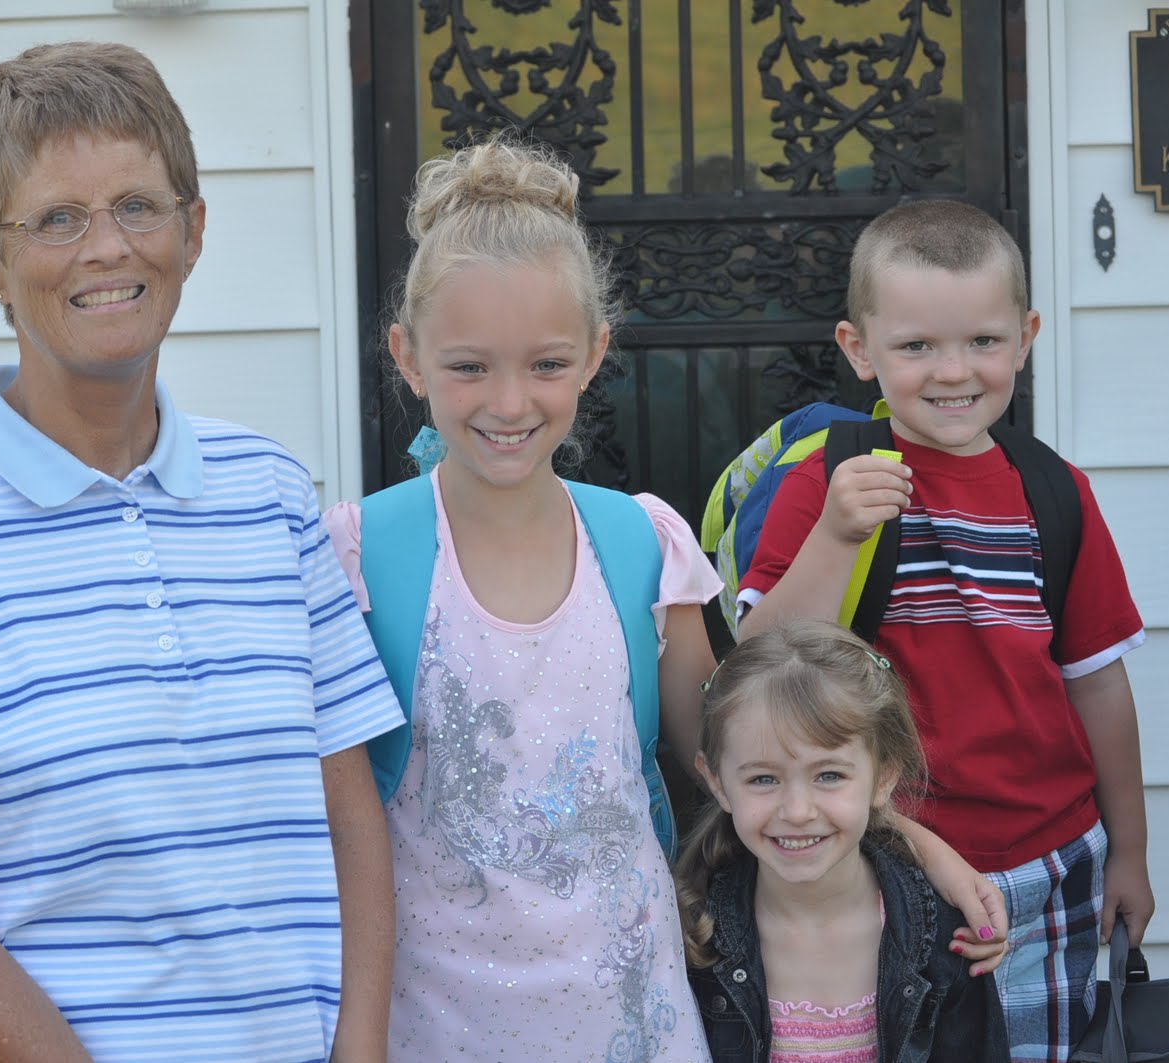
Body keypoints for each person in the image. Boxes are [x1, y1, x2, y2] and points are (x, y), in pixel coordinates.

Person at [322, 136, 1007, 1062]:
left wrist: (927, 852)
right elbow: (332, 819)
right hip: (432, 1022)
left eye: (547, 364)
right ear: (408, 358)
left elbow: (740, 753)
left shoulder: (643, 544)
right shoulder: (358, 556)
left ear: (596, 352)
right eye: (469, 367)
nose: (510, 402)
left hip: (634, 1016)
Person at [0, 42, 402, 1063]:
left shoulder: (272, 495)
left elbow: (350, 813)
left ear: (192, 231)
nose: (107, 247)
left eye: (138, 206)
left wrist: (361, 1048)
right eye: (57, 219)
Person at [737, 199, 1152, 1061]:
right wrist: (835, 535)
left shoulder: (1056, 493)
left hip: (1051, 859)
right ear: (860, 349)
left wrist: (1131, 851)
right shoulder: (827, 481)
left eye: (983, 341)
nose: (953, 371)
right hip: (881, 856)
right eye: (917, 346)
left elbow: (1098, 683)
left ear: (1026, 338)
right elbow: (760, 665)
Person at [676, 619, 1010, 1061]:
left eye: (829, 775)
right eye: (763, 779)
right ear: (717, 783)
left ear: (884, 776)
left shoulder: (944, 939)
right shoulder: (692, 938)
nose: (797, 811)